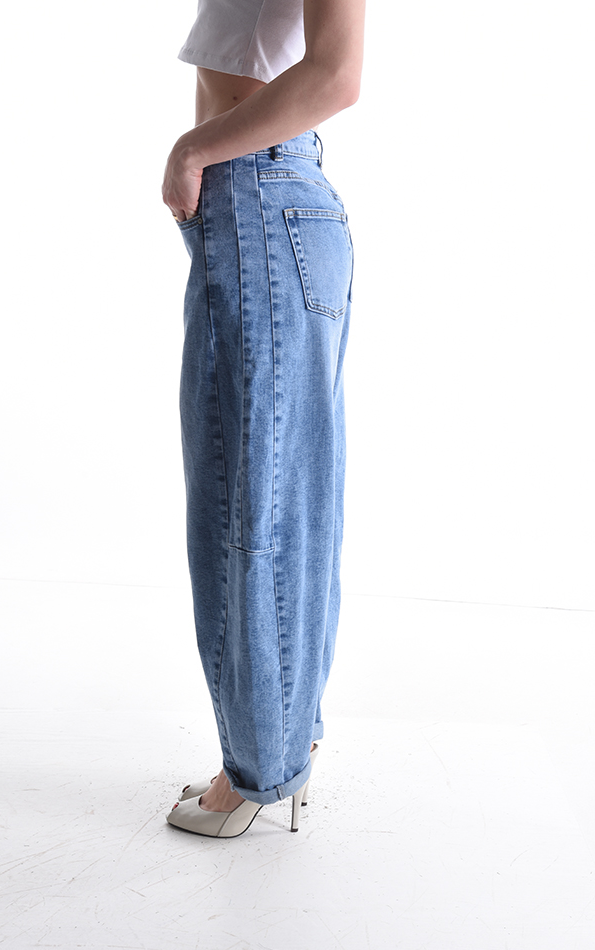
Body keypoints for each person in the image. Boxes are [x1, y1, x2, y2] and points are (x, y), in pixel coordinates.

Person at [161, 0, 365, 838]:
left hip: (258, 195)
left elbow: (336, 74)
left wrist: (194, 148)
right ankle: (285, 741)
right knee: (289, 497)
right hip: (276, 198)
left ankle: (255, 771)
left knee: (247, 505)